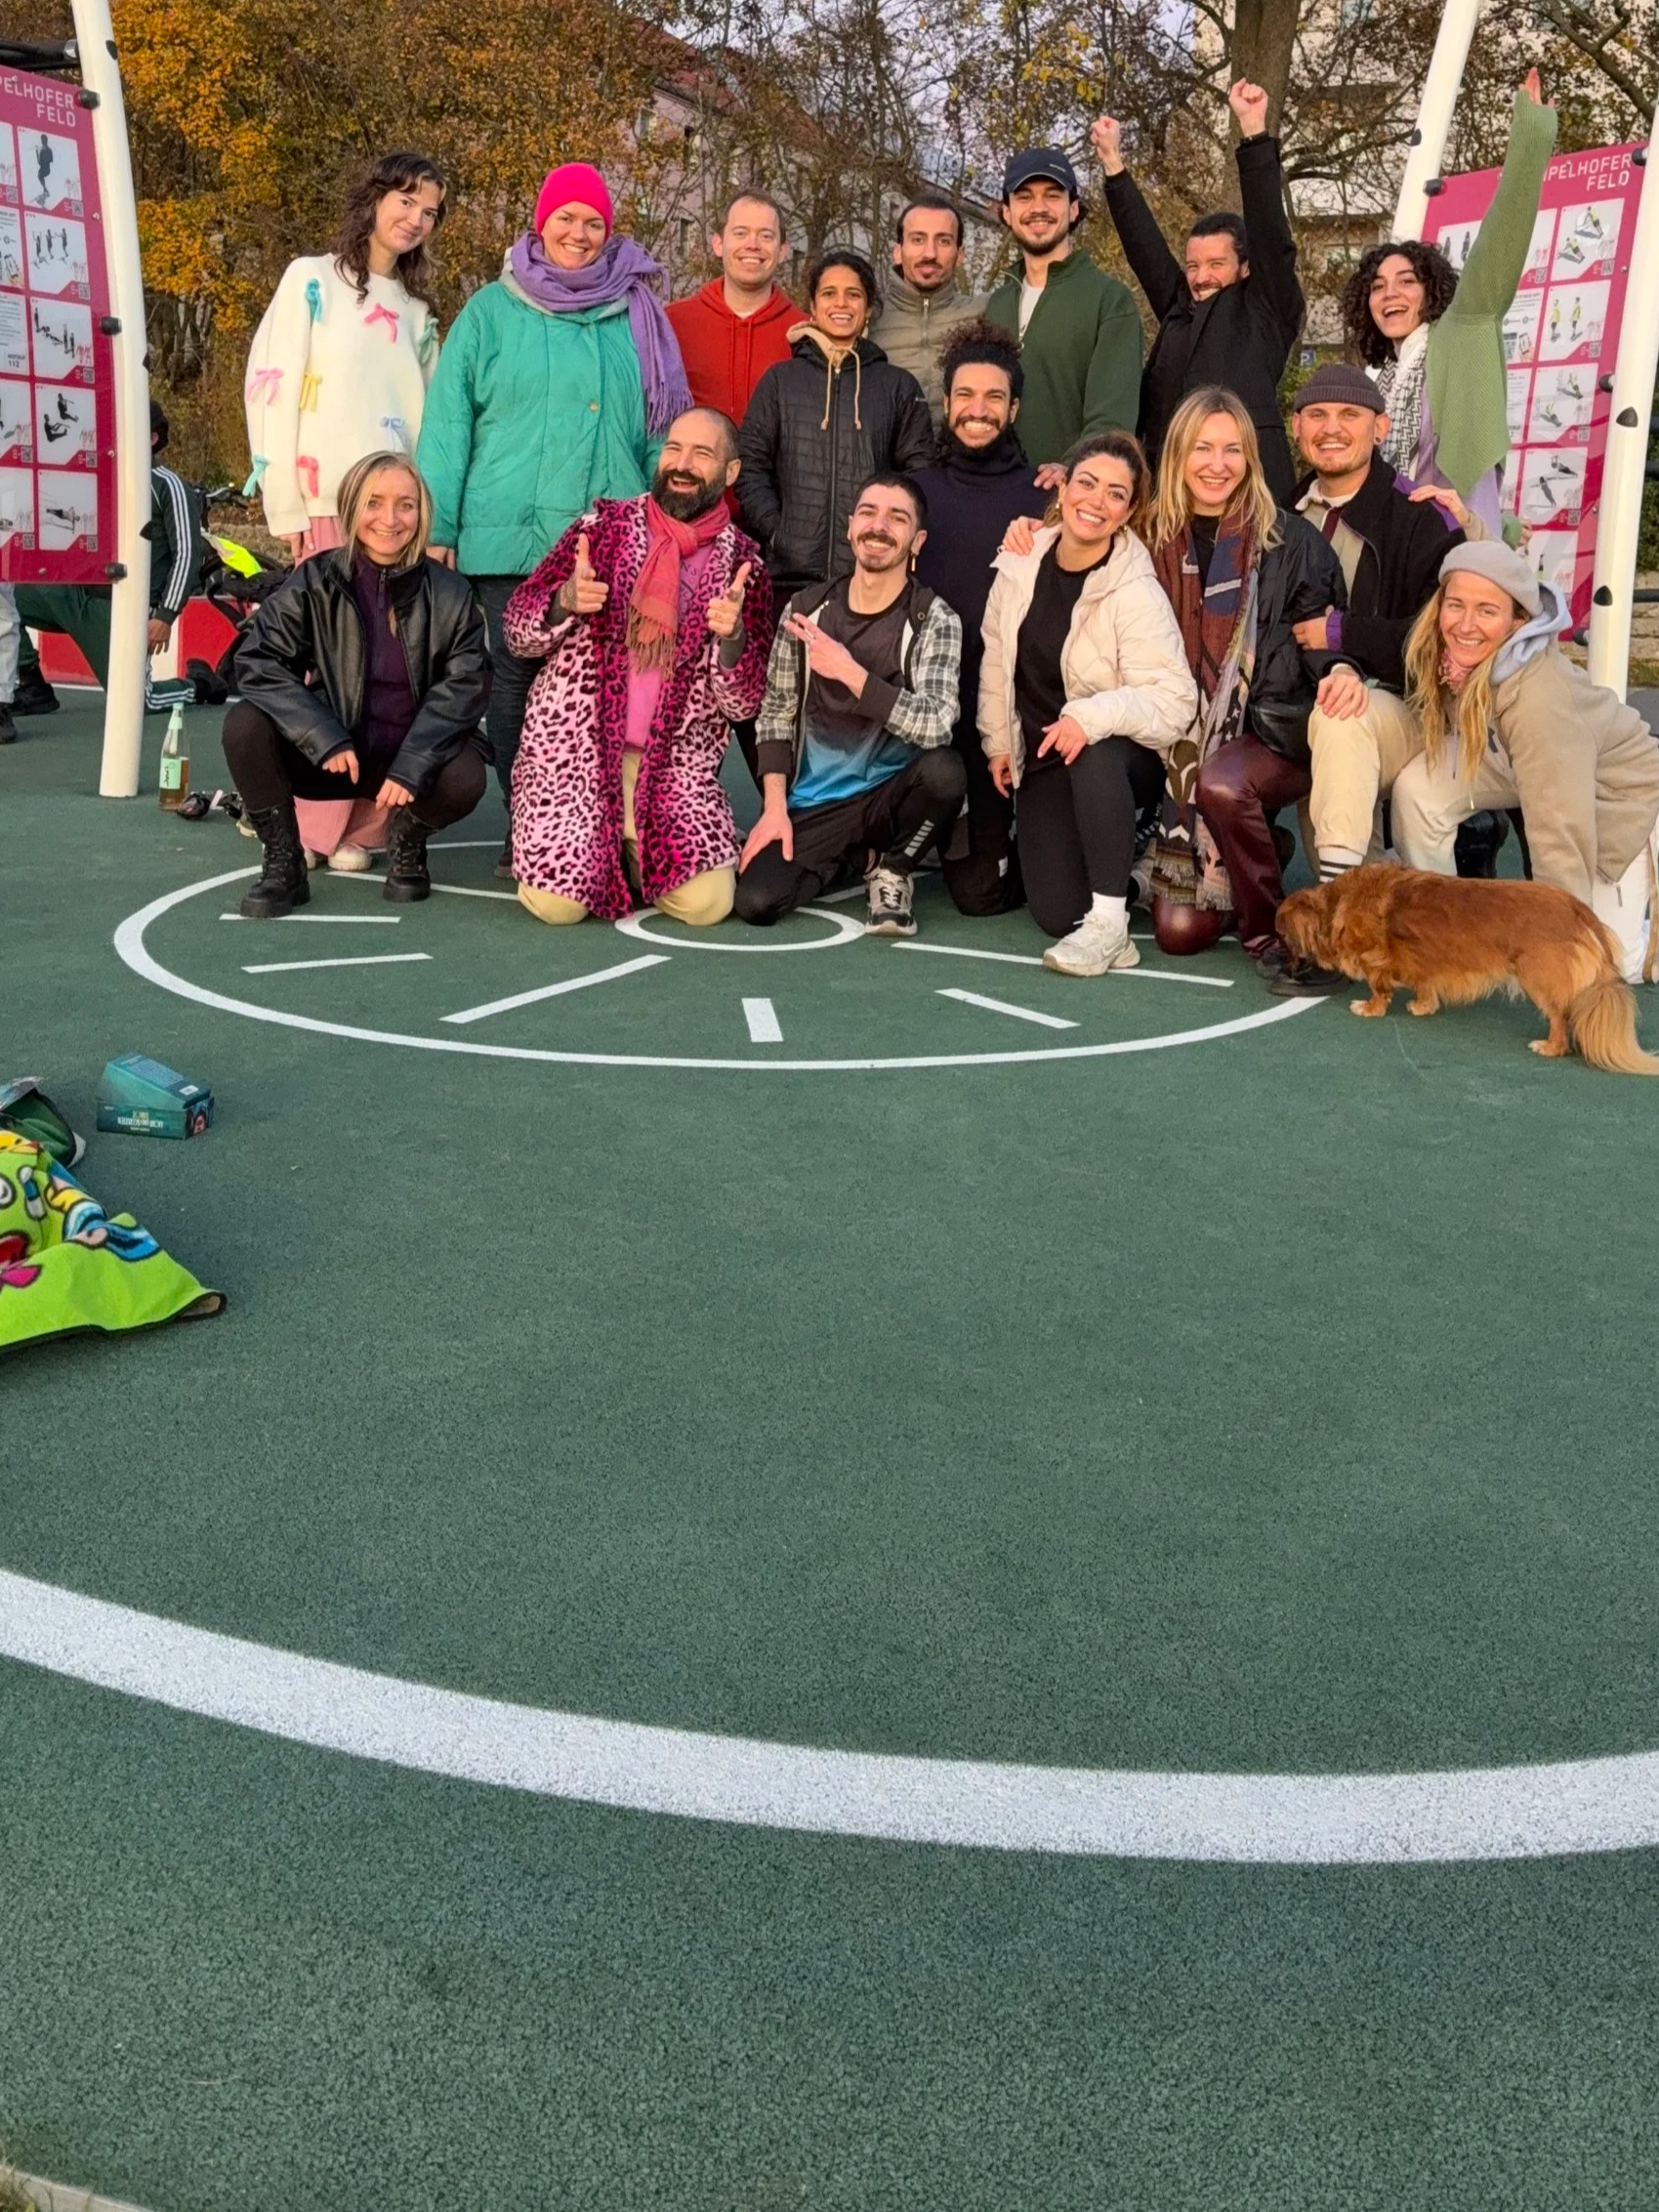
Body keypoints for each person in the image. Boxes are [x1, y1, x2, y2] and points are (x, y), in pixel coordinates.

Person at [416, 161, 690, 866]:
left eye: (594, 222)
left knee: (599, 685)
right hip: (508, 531)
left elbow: (662, 429)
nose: (579, 232)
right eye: (565, 217)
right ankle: (530, 826)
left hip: (611, 535)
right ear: (541, 224)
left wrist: (668, 524)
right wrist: (437, 526)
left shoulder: (639, 315)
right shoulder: (489, 311)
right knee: (513, 679)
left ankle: (598, 826)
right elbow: (448, 423)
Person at [502, 408, 772, 928]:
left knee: (708, 905)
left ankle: (627, 858)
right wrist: (563, 601)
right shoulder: (600, 530)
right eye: (673, 448)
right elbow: (517, 630)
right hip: (574, 761)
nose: (682, 464)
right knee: (558, 908)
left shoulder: (745, 568)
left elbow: (743, 703)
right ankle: (605, 856)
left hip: (674, 773)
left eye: (701, 453)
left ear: (730, 472)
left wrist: (733, 638)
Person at [224, 451, 490, 920]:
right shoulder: (315, 579)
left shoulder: (451, 592)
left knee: (466, 775)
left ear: (422, 513)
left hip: (407, 766)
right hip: (334, 756)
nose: (390, 519)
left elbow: (467, 685)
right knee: (244, 724)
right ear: (351, 507)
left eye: (405, 505)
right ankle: (285, 862)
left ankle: (406, 839)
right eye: (374, 503)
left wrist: (414, 763)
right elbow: (258, 659)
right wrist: (320, 733)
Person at [1147, 387, 1351, 991]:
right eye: (1202, 448)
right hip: (1173, 731)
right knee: (1179, 934)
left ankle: (1270, 931)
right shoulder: (1150, 537)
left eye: (1232, 449)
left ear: (1251, 458)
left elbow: (1324, 636)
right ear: (1177, 455)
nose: (1217, 464)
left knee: (1221, 782)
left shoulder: (1291, 540)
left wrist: (1340, 669)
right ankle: (1259, 844)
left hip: (1272, 730)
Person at [1392, 542, 1659, 979]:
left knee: (1609, 963)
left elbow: (1560, 825)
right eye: (1455, 605)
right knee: (1419, 789)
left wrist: (1561, 941)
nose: (1465, 624)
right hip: (1516, 760)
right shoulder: (1446, 659)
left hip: (1614, 793)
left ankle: (1646, 938)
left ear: (1518, 621)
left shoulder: (1539, 700)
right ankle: (1443, 935)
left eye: (1486, 611)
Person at [981, 432, 1194, 975]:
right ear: (1064, 487)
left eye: (1116, 494)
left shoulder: (1134, 588)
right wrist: (998, 740)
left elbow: (1175, 700)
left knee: (1094, 750)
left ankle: (1111, 929)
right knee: (1057, 913)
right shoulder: (1021, 561)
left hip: (1120, 757)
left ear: (1129, 511)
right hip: (1047, 755)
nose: (1097, 501)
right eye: (1088, 483)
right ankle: (1136, 877)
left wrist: (1088, 716)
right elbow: (996, 656)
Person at [735, 472, 964, 937]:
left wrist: (852, 674)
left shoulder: (934, 618)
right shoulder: (806, 610)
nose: (879, 526)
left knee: (945, 772)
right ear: (850, 527)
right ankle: (859, 858)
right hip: (817, 802)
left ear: (917, 541)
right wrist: (774, 807)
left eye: (897, 518)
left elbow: (939, 723)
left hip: (892, 796)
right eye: (868, 513)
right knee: (757, 902)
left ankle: (894, 868)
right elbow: (775, 713)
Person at [1342, 70, 1556, 532]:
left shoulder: (1461, 329)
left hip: (1453, 542)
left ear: (1431, 291)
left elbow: (1500, 242)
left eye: (1406, 282)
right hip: (1397, 540)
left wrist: (1530, 138)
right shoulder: (1381, 378)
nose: (1390, 294)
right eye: (1378, 286)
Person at [1287, 363, 1465, 881]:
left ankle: (1341, 903)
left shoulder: (1421, 517)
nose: (1332, 428)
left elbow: (1442, 642)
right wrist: (1332, 665)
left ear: (1381, 428)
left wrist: (1343, 634)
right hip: (1300, 700)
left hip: (1408, 706)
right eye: (1317, 414)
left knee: (1342, 717)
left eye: (1350, 414)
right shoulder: (1279, 513)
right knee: (1333, 716)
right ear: (1296, 427)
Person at [1091, 81, 1305, 502]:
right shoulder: (1180, 307)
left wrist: (1253, 132)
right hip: (1172, 492)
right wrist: (1113, 165)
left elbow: (1270, 233)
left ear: (1245, 267)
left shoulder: (1264, 308)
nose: (1201, 276)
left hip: (1249, 491)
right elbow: (1145, 248)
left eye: (1215, 265)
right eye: (1193, 266)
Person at [243, 151, 446, 565]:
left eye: (429, 213)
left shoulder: (417, 312)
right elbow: (271, 391)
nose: (416, 220)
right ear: (375, 199)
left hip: (396, 518)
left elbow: (432, 424)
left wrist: (426, 516)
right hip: (325, 504)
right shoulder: (312, 279)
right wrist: (284, 504)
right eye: (406, 202)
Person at [912, 319, 1048, 914]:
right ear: (946, 403)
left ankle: (1035, 840)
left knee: (981, 895)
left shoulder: (1048, 497)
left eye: (995, 397)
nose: (978, 409)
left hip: (1009, 726)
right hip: (930, 727)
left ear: (1014, 409)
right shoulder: (911, 494)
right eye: (965, 395)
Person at [736, 250, 933, 598]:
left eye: (853, 294)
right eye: (829, 293)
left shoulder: (898, 386)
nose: (841, 303)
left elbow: (919, 476)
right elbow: (750, 466)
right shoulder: (781, 381)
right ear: (813, 306)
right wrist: (778, 532)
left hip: (871, 580)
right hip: (788, 580)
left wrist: (888, 534)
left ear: (868, 308)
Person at [13, 400, 204, 717]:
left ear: (152, 438)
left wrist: (165, 615)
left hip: (124, 607)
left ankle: (198, 685)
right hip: (74, 593)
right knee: (4, 596)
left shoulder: (168, 485)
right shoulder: (96, 478)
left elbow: (188, 554)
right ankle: (32, 684)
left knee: (138, 702)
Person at [983, 148, 1141, 467]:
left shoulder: (1110, 300)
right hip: (994, 487)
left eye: (1052, 196)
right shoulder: (995, 305)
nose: (1038, 208)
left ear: (1073, 209)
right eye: (1024, 197)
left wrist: (1071, 469)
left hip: (1069, 489)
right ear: (1007, 212)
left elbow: (1112, 419)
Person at [666, 190, 797, 430]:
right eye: (740, 233)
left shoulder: (803, 333)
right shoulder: (672, 323)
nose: (753, 245)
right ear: (718, 244)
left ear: (782, 251)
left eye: (766, 236)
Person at [879, 194, 988, 425]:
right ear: (898, 252)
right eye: (918, 239)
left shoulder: (986, 313)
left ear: (960, 255)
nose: (930, 253)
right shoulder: (868, 318)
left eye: (944, 241)